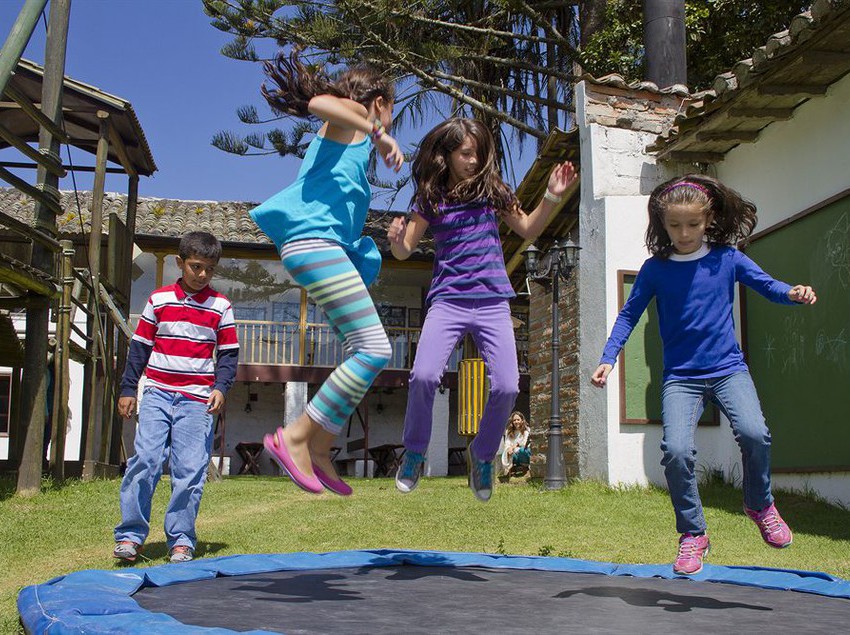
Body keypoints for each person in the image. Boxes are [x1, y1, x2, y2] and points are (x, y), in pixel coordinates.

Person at [590, 175, 817, 576]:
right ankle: (693, 534)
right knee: (676, 451)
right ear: (663, 224)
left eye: (692, 225)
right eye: (674, 226)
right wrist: (610, 357)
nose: (683, 233)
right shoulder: (656, 269)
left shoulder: (726, 259)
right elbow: (629, 314)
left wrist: (792, 293)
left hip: (729, 369)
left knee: (754, 433)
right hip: (681, 377)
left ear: (708, 220)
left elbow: (766, 285)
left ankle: (759, 504)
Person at [389, 117, 577, 501]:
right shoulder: (432, 198)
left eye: (478, 153)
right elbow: (405, 249)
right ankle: (415, 451)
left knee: (508, 385)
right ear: (447, 155)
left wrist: (553, 195)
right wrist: (394, 240)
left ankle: (483, 454)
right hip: (448, 301)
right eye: (465, 154)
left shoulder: (492, 191)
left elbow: (527, 228)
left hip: (493, 301)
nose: (473, 161)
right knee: (424, 376)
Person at [249, 52, 403, 496]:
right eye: (389, 113)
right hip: (314, 245)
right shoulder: (355, 118)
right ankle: (295, 436)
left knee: (363, 348)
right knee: (374, 349)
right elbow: (319, 103)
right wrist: (376, 131)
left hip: (317, 248)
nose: (390, 123)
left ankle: (320, 447)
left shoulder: (352, 133)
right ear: (378, 102)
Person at [113, 232, 239, 564]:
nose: (202, 275)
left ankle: (181, 540)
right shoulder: (158, 300)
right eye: (196, 267)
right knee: (146, 462)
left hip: (197, 400)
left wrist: (220, 388)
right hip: (156, 393)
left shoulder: (221, 307)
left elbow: (228, 356)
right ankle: (130, 536)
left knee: (189, 470)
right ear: (180, 263)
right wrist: (128, 389)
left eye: (209, 270)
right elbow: (139, 350)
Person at [501, 411, 531, 476]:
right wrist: (509, 449)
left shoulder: (526, 430)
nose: (516, 422)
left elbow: (524, 443)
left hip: (523, 453)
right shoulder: (508, 431)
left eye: (518, 420)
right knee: (506, 452)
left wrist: (514, 446)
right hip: (513, 453)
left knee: (522, 450)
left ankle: (525, 467)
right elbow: (507, 443)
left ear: (522, 420)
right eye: (514, 420)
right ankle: (512, 468)